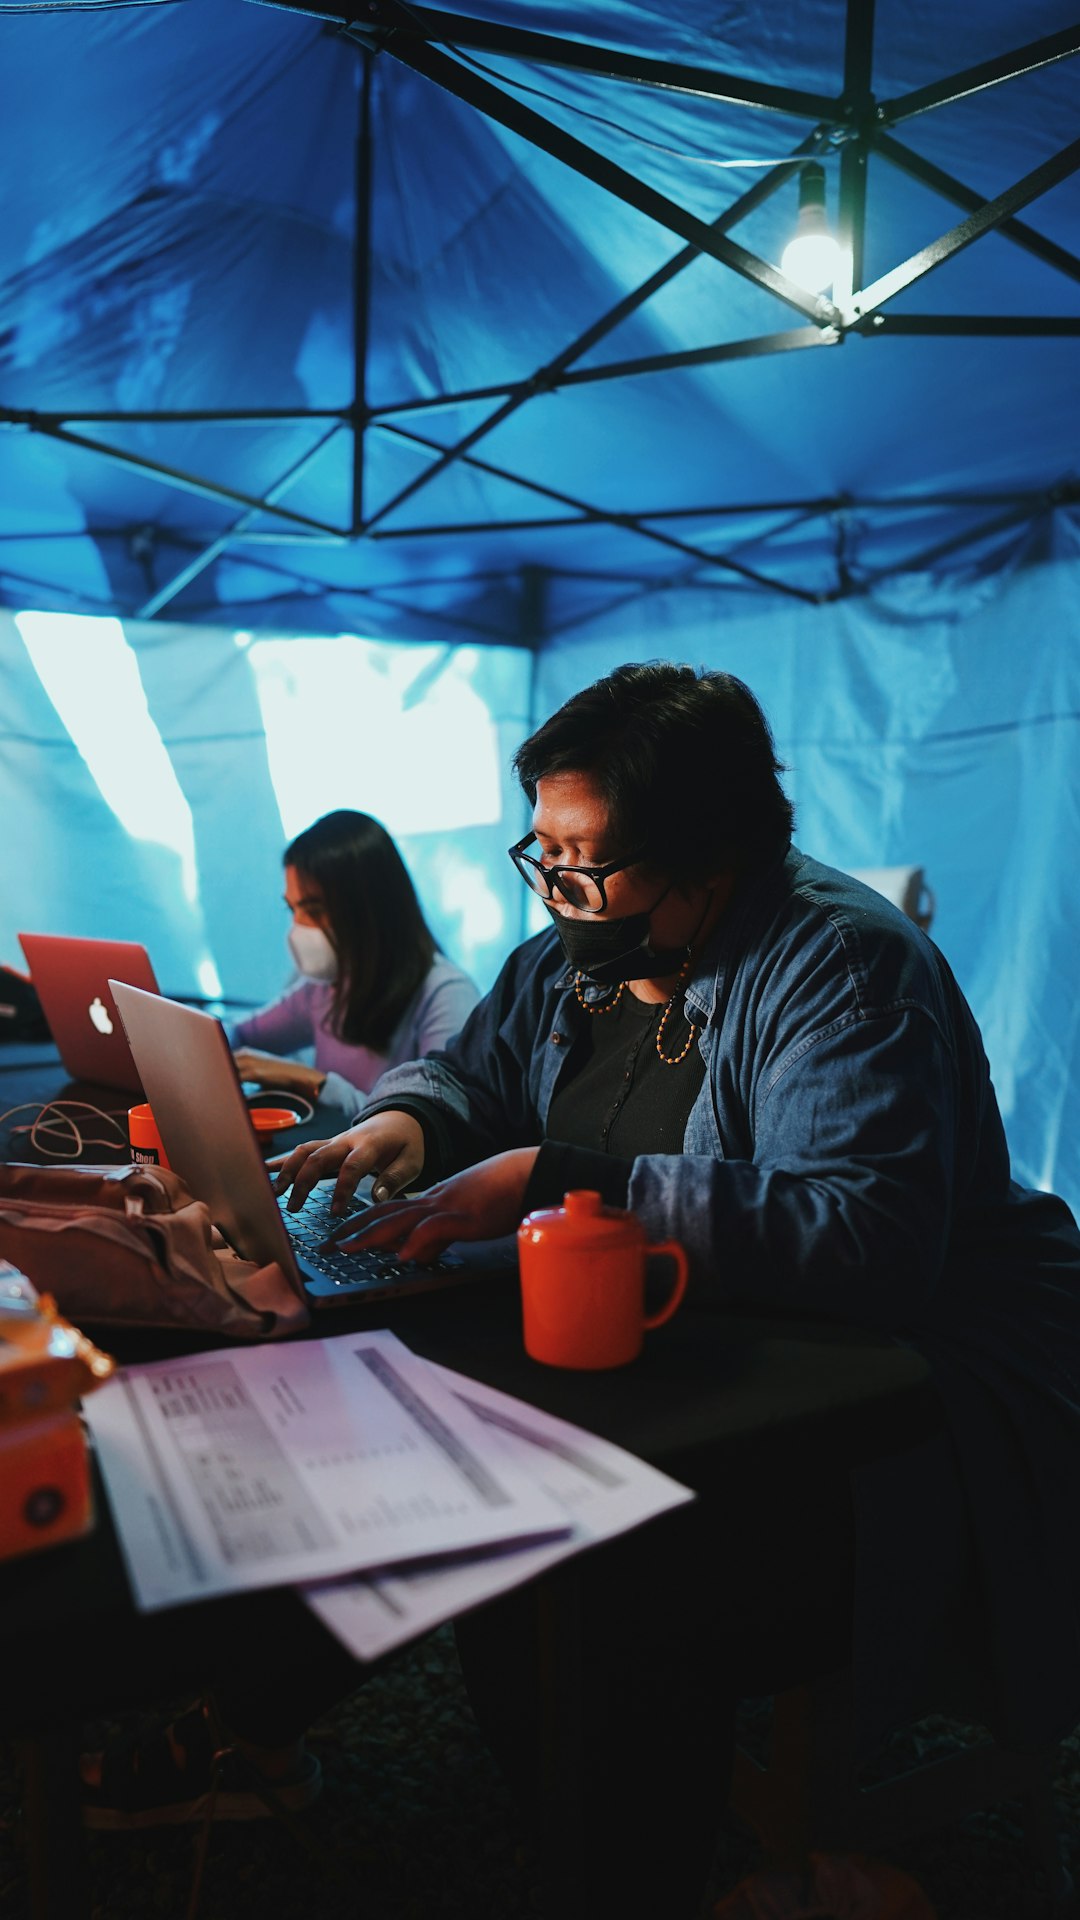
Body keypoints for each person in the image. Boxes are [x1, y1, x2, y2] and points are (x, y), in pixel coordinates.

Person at [84, 665, 1080, 1920]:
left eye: (585, 858)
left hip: (892, 1410)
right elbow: (473, 1076)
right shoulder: (570, 962)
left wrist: (558, 1175)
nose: (555, 888)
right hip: (681, 1363)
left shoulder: (842, 970)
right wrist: (410, 1124)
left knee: (585, 1569)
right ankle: (317, 1751)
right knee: (421, 1460)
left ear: (708, 852)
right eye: (539, 851)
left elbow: (864, 1239)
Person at [228, 808, 479, 1113]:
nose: (298, 928)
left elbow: (433, 1119)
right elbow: (239, 1035)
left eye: (314, 910)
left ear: (367, 907)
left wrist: (313, 1082)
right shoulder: (326, 987)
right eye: (292, 910)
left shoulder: (445, 993)